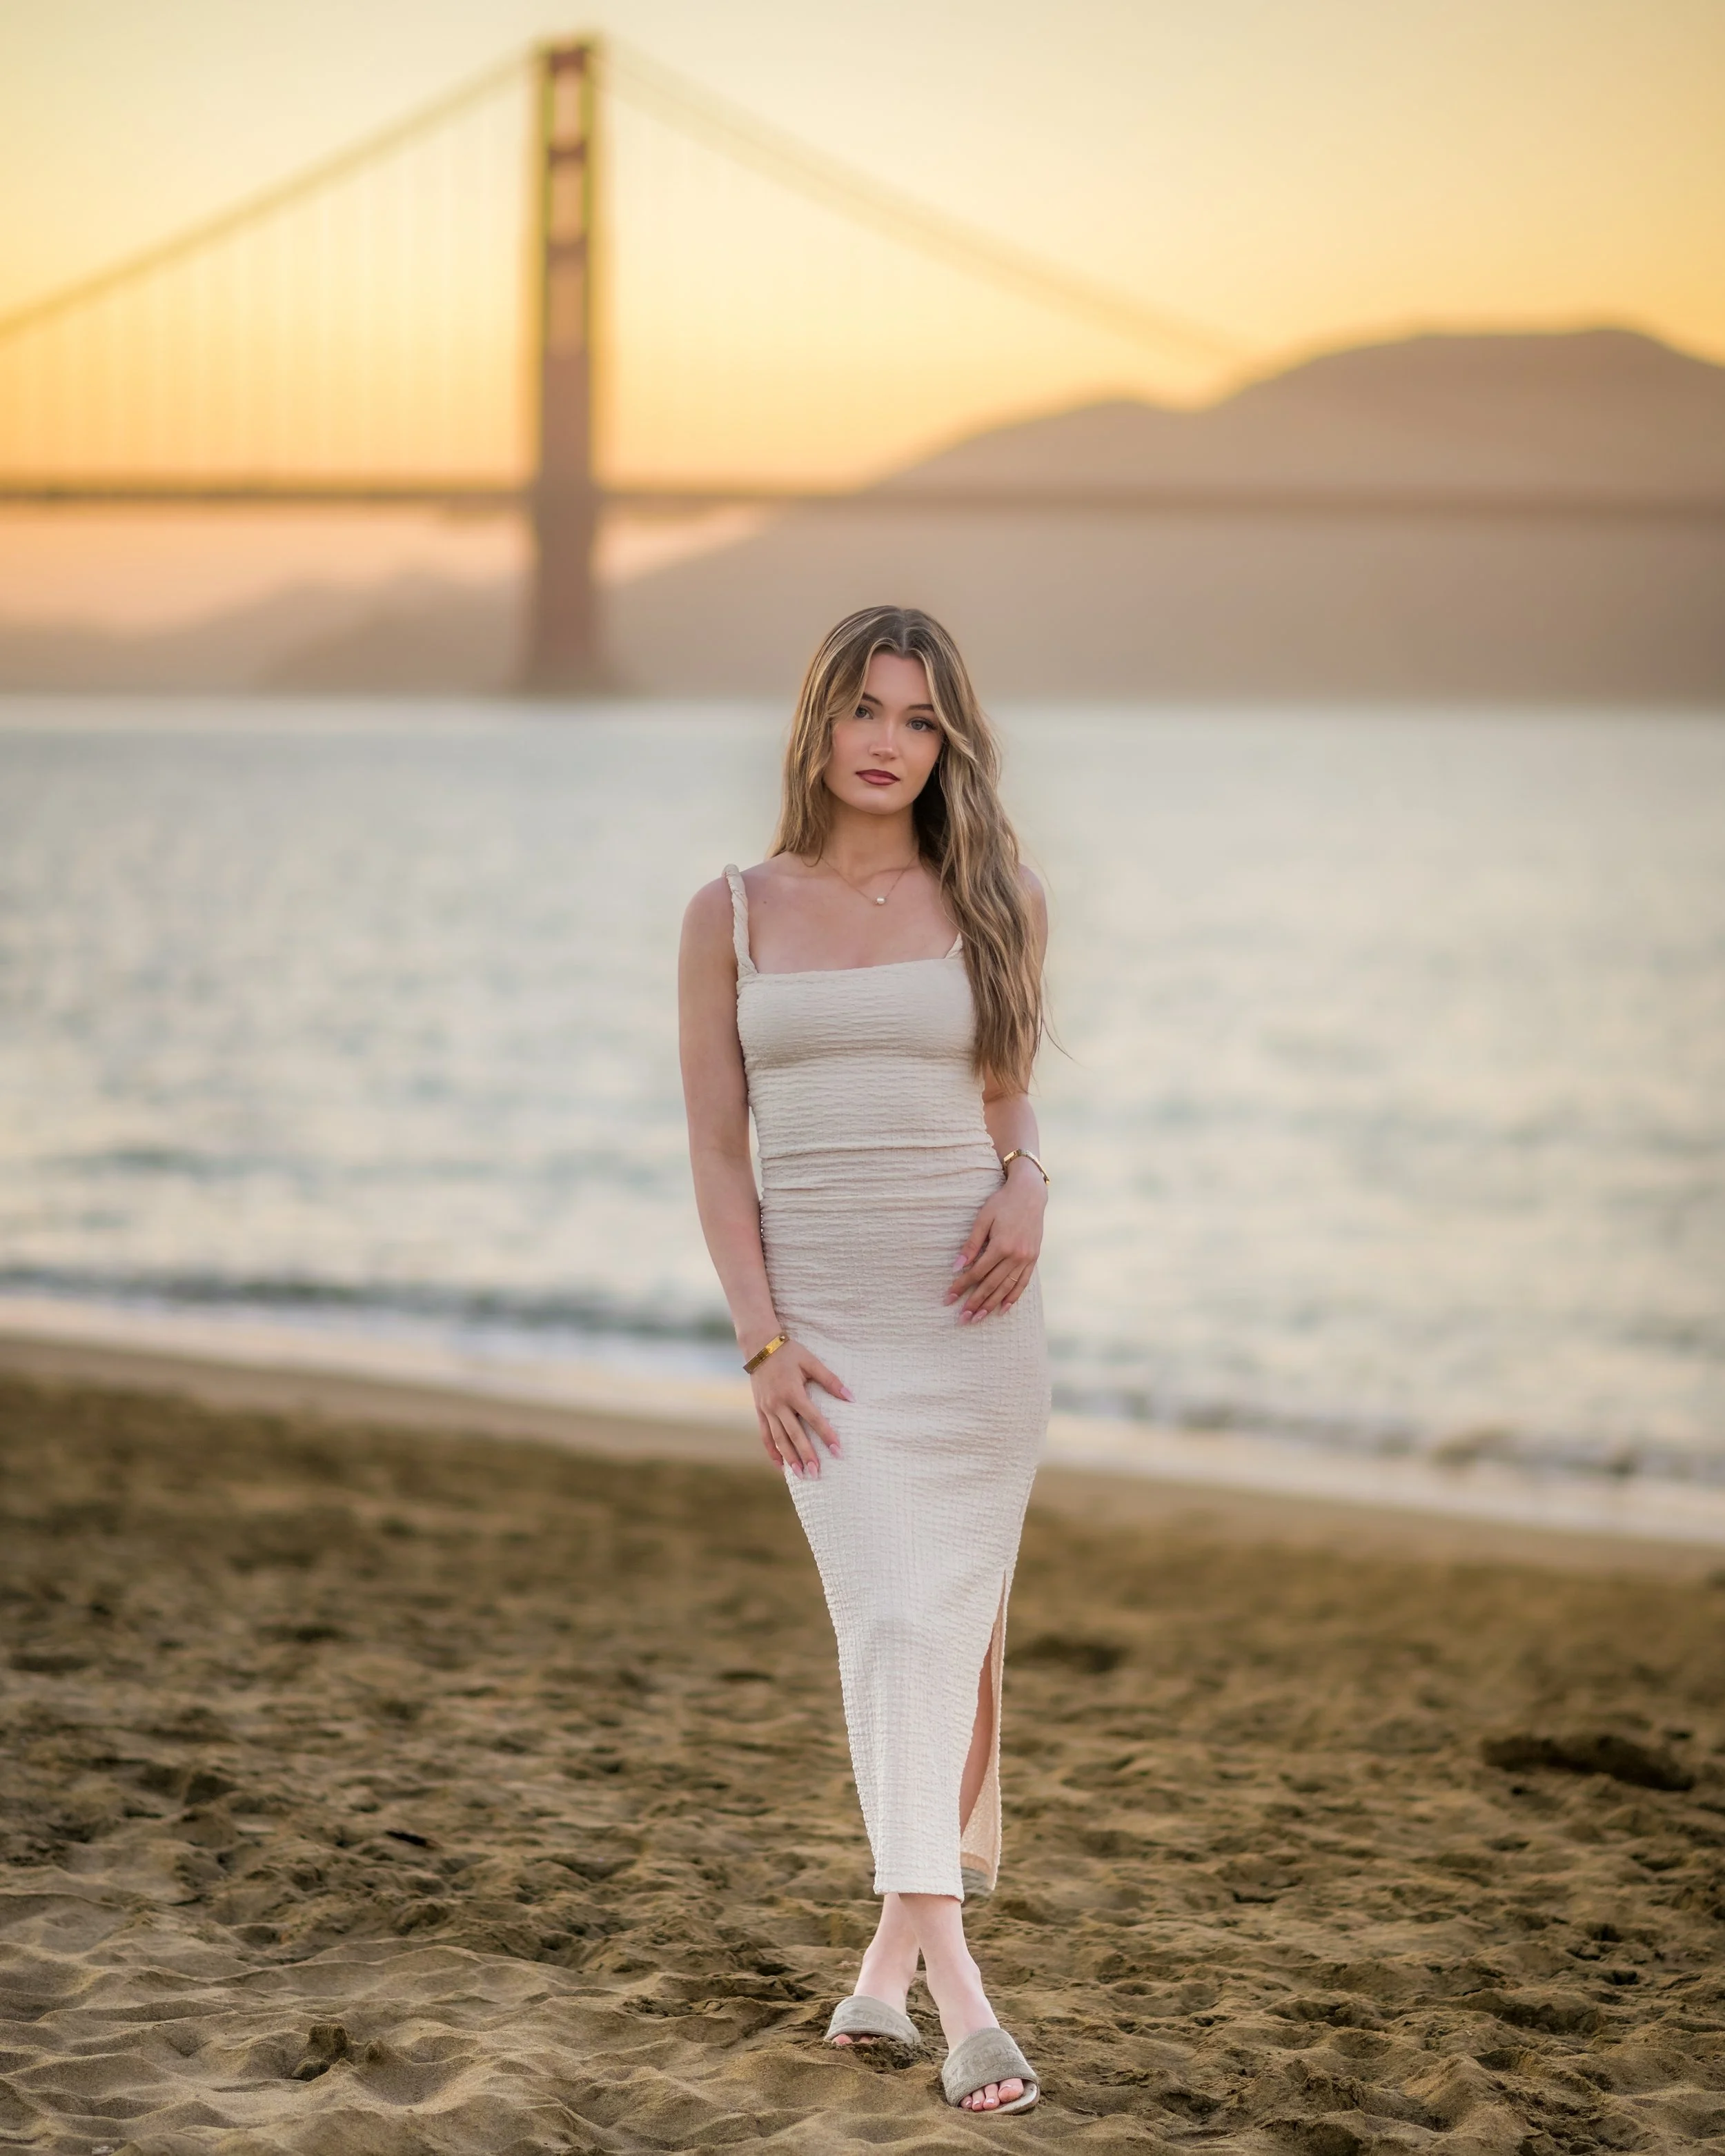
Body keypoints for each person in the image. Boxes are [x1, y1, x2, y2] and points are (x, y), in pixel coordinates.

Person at [678, 604, 1052, 2115]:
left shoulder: (996, 893)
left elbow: (1008, 1099)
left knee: (949, 1635)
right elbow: (715, 1146)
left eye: (917, 718)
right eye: (864, 711)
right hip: (821, 1331)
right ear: (817, 726)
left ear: (946, 740)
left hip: (972, 1319)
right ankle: (960, 1987)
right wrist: (759, 1337)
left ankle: (891, 1971)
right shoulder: (731, 909)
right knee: (889, 1608)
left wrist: (1031, 1183)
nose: (888, 742)